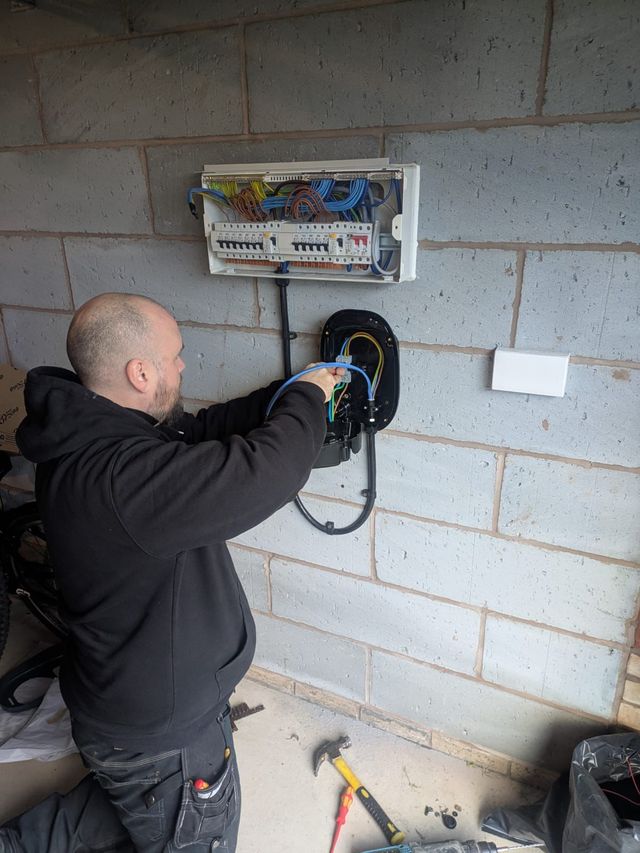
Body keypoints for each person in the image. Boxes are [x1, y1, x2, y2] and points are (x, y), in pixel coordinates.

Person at [7, 292, 342, 852]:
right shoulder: (123, 480)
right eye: (175, 355)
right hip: (159, 733)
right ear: (141, 372)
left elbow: (195, 430)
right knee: (188, 826)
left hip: (121, 707)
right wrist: (310, 400)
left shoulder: (93, 429)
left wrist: (284, 394)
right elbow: (264, 472)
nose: (183, 366)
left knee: (134, 800)